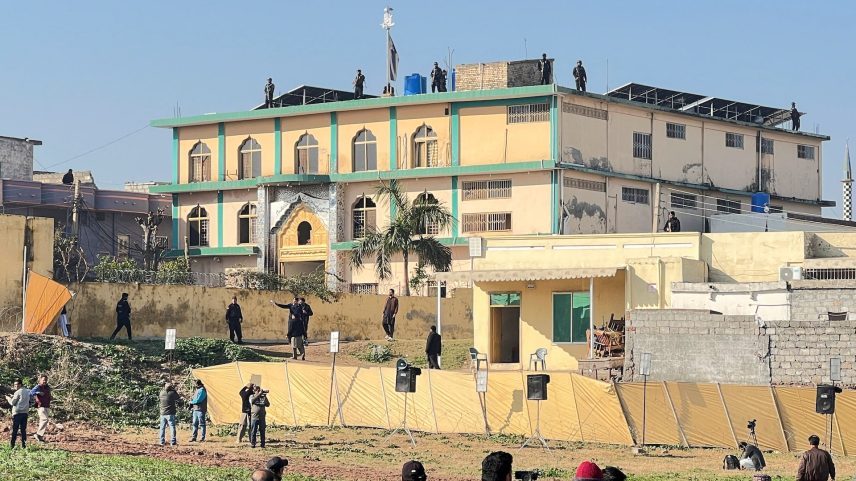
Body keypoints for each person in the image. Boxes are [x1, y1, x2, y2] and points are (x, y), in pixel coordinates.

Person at [6, 378, 30, 448]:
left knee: (15, 430)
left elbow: (12, 403)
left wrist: (8, 398)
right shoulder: (27, 391)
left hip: (17, 413)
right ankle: (24, 445)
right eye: (15, 385)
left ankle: (12, 445)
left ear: (20, 384)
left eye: (17, 384)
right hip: (25, 413)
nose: (15, 386)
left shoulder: (17, 392)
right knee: (23, 430)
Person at [30, 375, 52, 443]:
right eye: (43, 380)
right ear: (40, 380)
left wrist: (50, 397)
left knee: (43, 421)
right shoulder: (38, 387)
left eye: (46, 380)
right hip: (40, 406)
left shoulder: (47, 387)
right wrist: (38, 392)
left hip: (47, 406)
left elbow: (48, 394)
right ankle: (38, 434)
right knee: (44, 419)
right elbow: (31, 393)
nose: (44, 381)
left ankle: (40, 437)